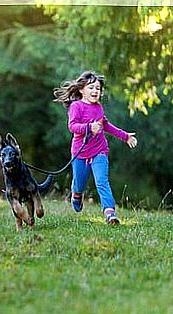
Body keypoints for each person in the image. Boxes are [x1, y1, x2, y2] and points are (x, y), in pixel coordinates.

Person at [53, 71, 137, 224]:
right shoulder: (76, 106)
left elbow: (105, 125)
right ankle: (76, 194)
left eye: (97, 88)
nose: (95, 91)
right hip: (80, 152)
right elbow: (72, 126)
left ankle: (110, 213)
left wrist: (125, 136)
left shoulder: (98, 107)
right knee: (80, 182)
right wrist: (89, 127)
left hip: (99, 151)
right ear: (81, 90)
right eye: (91, 88)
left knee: (102, 181)